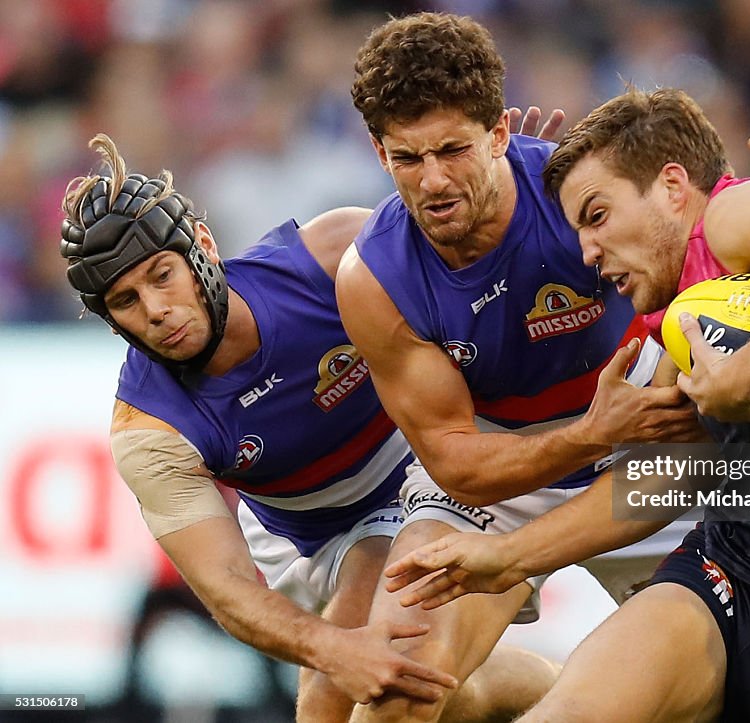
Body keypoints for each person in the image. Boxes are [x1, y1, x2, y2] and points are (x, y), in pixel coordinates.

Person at [337, 12, 750, 722]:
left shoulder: (578, 186)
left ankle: (580, 692)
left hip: (652, 441)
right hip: (500, 464)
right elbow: (456, 464)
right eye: (406, 159)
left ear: (499, 132)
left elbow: (708, 222)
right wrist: (589, 431)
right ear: (376, 149)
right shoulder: (372, 277)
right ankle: (569, 690)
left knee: (731, 703)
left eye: (453, 149)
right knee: (399, 686)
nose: (432, 182)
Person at [384, 87, 750, 723]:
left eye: (596, 216)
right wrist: (506, 557)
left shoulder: (735, 218)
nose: (589, 255)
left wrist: (744, 378)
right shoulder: (682, 315)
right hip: (728, 575)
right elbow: (673, 474)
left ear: (673, 187)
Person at [57, 126, 566, 723]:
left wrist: (513, 183)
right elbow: (228, 592)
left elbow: (470, 260)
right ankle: (570, 692)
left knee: (348, 693)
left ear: (202, 245)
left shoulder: (331, 256)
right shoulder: (147, 428)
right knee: (421, 689)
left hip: (425, 474)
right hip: (301, 535)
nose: (155, 310)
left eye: (161, 275)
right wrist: (333, 649)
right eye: (125, 302)